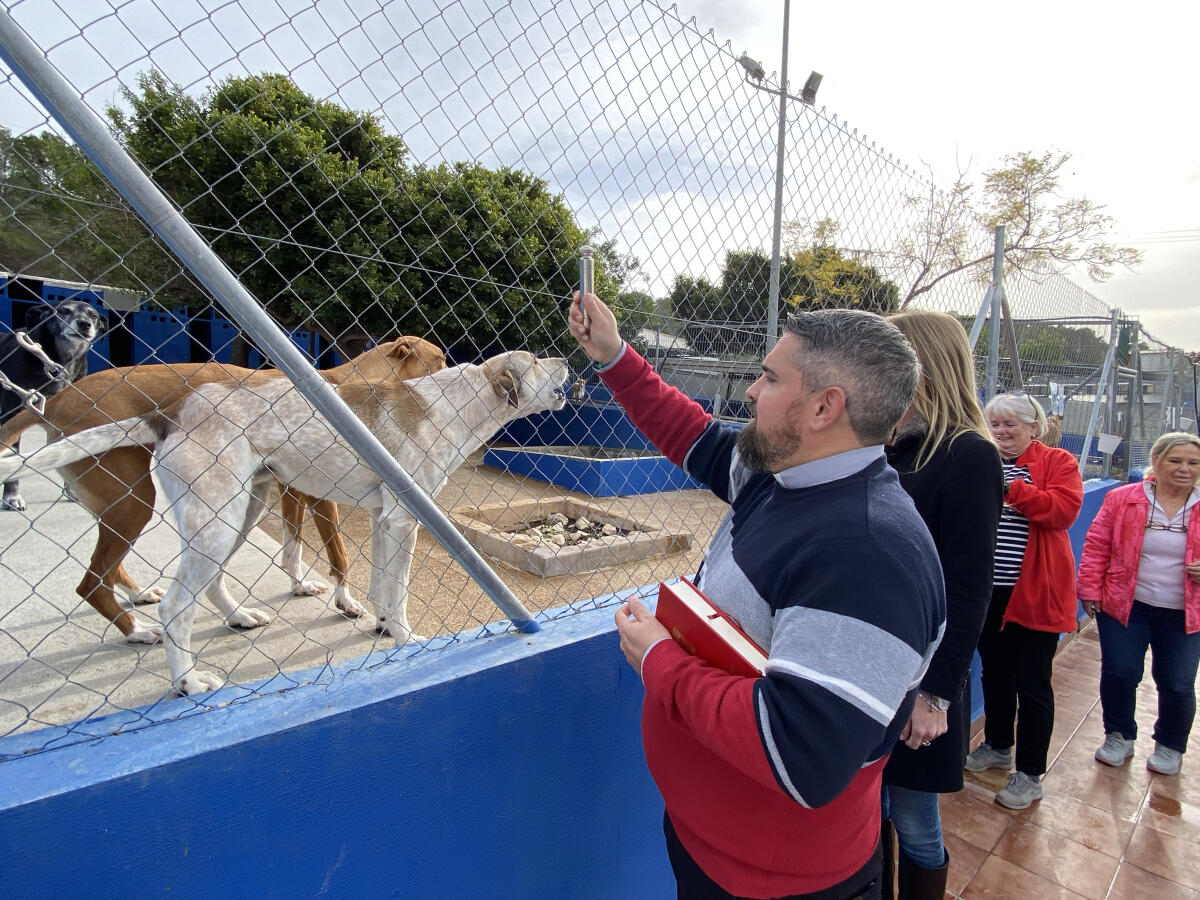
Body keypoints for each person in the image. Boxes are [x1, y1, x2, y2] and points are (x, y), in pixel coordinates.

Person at [569, 292, 946, 900]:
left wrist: (661, 661)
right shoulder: (784, 475)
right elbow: (693, 434)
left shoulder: (868, 556)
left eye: (769, 378)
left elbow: (801, 756)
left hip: (780, 884)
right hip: (713, 848)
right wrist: (615, 357)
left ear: (824, 407)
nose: (750, 391)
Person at [880, 311, 1003, 898]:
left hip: (921, 675)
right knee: (868, 816)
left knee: (914, 820)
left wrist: (936, 695)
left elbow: (970, 585)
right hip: (873, 662)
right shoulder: (890, 445)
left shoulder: (969, 454)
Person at [965, 393, 1083, 810]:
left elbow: (1064, 511)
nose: (1000, 432)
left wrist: (1012, 490)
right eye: (994, 425)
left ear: (1034, 427)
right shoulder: (981, 459)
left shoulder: (1057, 462)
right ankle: (998, 744)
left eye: (1010, 425)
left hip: (1034, 592)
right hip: (987, 590)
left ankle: (1030, 773)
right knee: (994, 673)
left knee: (1033, 684)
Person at [1078, 432, 1200, 776]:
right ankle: (1118, 734)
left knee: (1177, 681)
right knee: (1120, 672)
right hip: (1125, 605)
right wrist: (1089, 589)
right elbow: (1097, 544)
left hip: (1186, 613)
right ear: (1157, 461)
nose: (1184, 469)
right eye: (1175, 460)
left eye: (1193, 463)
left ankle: (1170, 743)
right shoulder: (1123, 499)